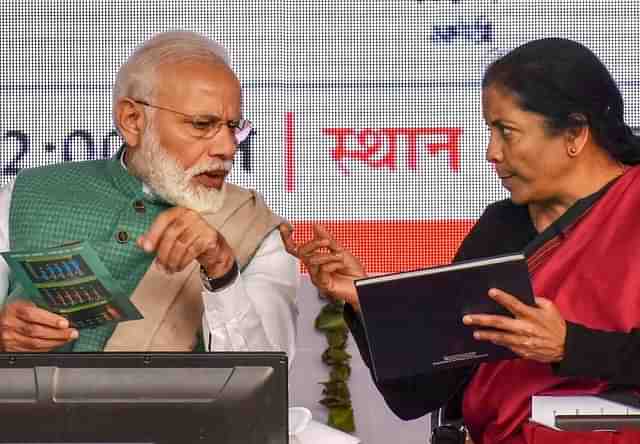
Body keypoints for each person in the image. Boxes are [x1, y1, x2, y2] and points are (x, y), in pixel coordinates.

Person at [280, 38, 640, 443]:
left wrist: (568, 345)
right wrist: (367, 299)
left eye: (507, 132)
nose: (491, 152)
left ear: (574, 133)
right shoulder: (502, 226)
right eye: (490, 131)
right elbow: (420, 394)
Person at [0, 31, 299, 358]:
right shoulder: (24, 195)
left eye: (232, 126)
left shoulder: (257, 228)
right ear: (132, 121)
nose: (227, 148)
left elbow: (269, 378)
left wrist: (222, 268)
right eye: (202, 124)